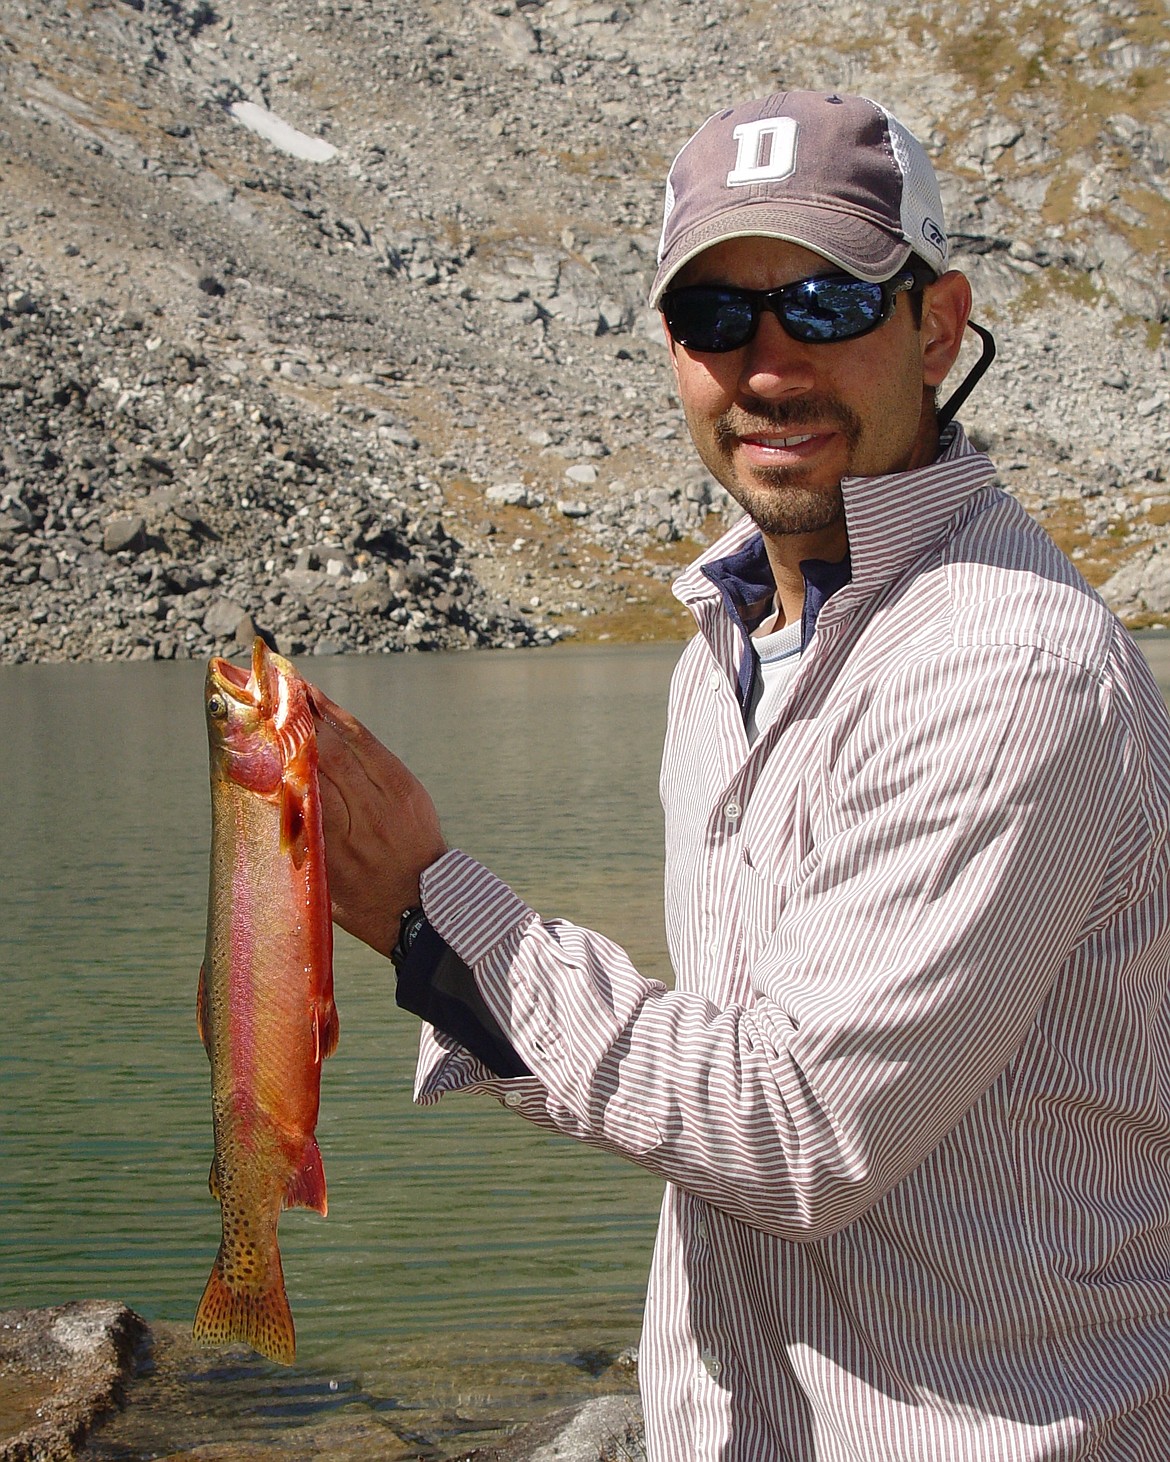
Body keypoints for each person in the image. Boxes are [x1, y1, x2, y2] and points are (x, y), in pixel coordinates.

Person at [311, 91, 1170, 1460]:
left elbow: (793, 1131)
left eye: (825, 303)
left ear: (935, 328)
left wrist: (433, 922)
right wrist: (444, 949)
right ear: (670, 348)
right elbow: (722, 1091)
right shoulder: (724, 648)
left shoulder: (1009, 666)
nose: (767, 365)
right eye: (716, 318)